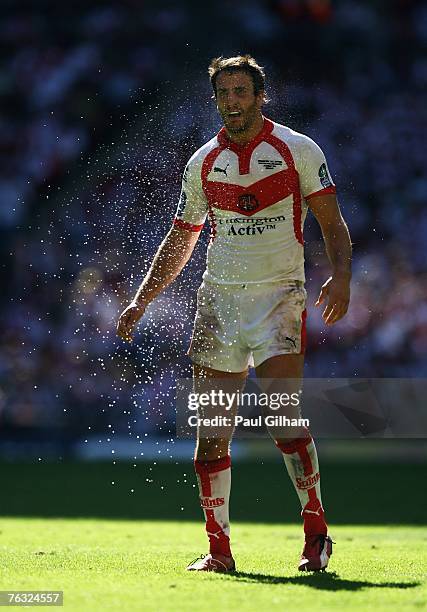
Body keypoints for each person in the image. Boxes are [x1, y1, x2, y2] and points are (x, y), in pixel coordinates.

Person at [116, 55, 352, 573]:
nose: (232, 101)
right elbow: (181, 238)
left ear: (260, 95)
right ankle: (218, 551)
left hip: (278, 297)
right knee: (210, 434)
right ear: (216, 98)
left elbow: (332, 222)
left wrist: (342, 276)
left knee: (281, 420)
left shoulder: (297, 150)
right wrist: (142, 298)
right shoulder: (202, 161)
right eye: (224, 92)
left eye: (242, 91)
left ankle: (316, 533)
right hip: (218, 301)